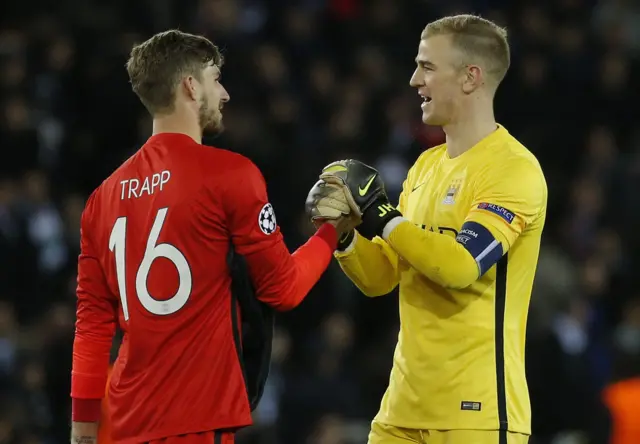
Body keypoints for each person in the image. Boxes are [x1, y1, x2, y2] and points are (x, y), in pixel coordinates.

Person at [70, 30, 353, 444]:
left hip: (123, 422)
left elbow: (93, 327)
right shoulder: (229, 174)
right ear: (190, 85)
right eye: (215, 78)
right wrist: (333, 233)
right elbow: (285, 289)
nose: (224, 93)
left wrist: (81, 429)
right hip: (195, 418)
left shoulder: (102, 198)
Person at [307, 14, 547, 444]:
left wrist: (380, 214)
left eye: (428, 67)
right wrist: (346, 235)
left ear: (471, 77)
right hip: (401, 409)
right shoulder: (425, 166)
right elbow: (382, 278)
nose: (415, 79)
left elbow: (459, 267)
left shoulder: (514, 170)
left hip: (476, 416)